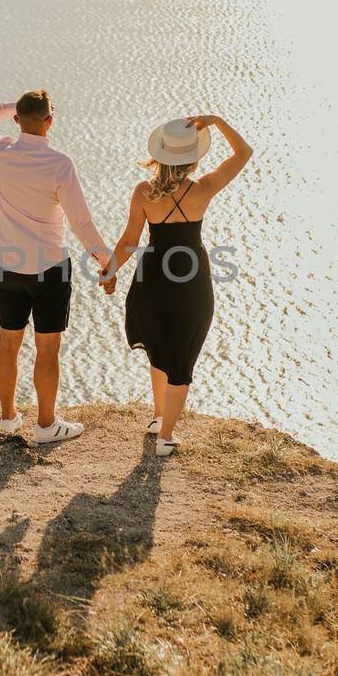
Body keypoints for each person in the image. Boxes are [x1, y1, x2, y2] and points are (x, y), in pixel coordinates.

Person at [100, 115, 252, 457]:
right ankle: (165, 435)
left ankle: (158, 417)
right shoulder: (203, 190)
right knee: (181, 356)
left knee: (158, 345)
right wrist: (217, 122)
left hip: (153, 278)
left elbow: (128, 242)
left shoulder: (143, 192)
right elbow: (243, 153)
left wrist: (109, 271)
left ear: (160, 155)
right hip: (191, 281)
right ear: (193, 159)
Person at [0, 90, 110, 448]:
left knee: (8, 342)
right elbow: (81, 222)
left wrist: (10, 106)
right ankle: (46, 425)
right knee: (47, 349)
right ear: (51, 120)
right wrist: (106, 262)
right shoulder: (60, 164)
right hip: (50, 268)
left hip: (9, 265)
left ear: (17, 120)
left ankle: (7, 419)